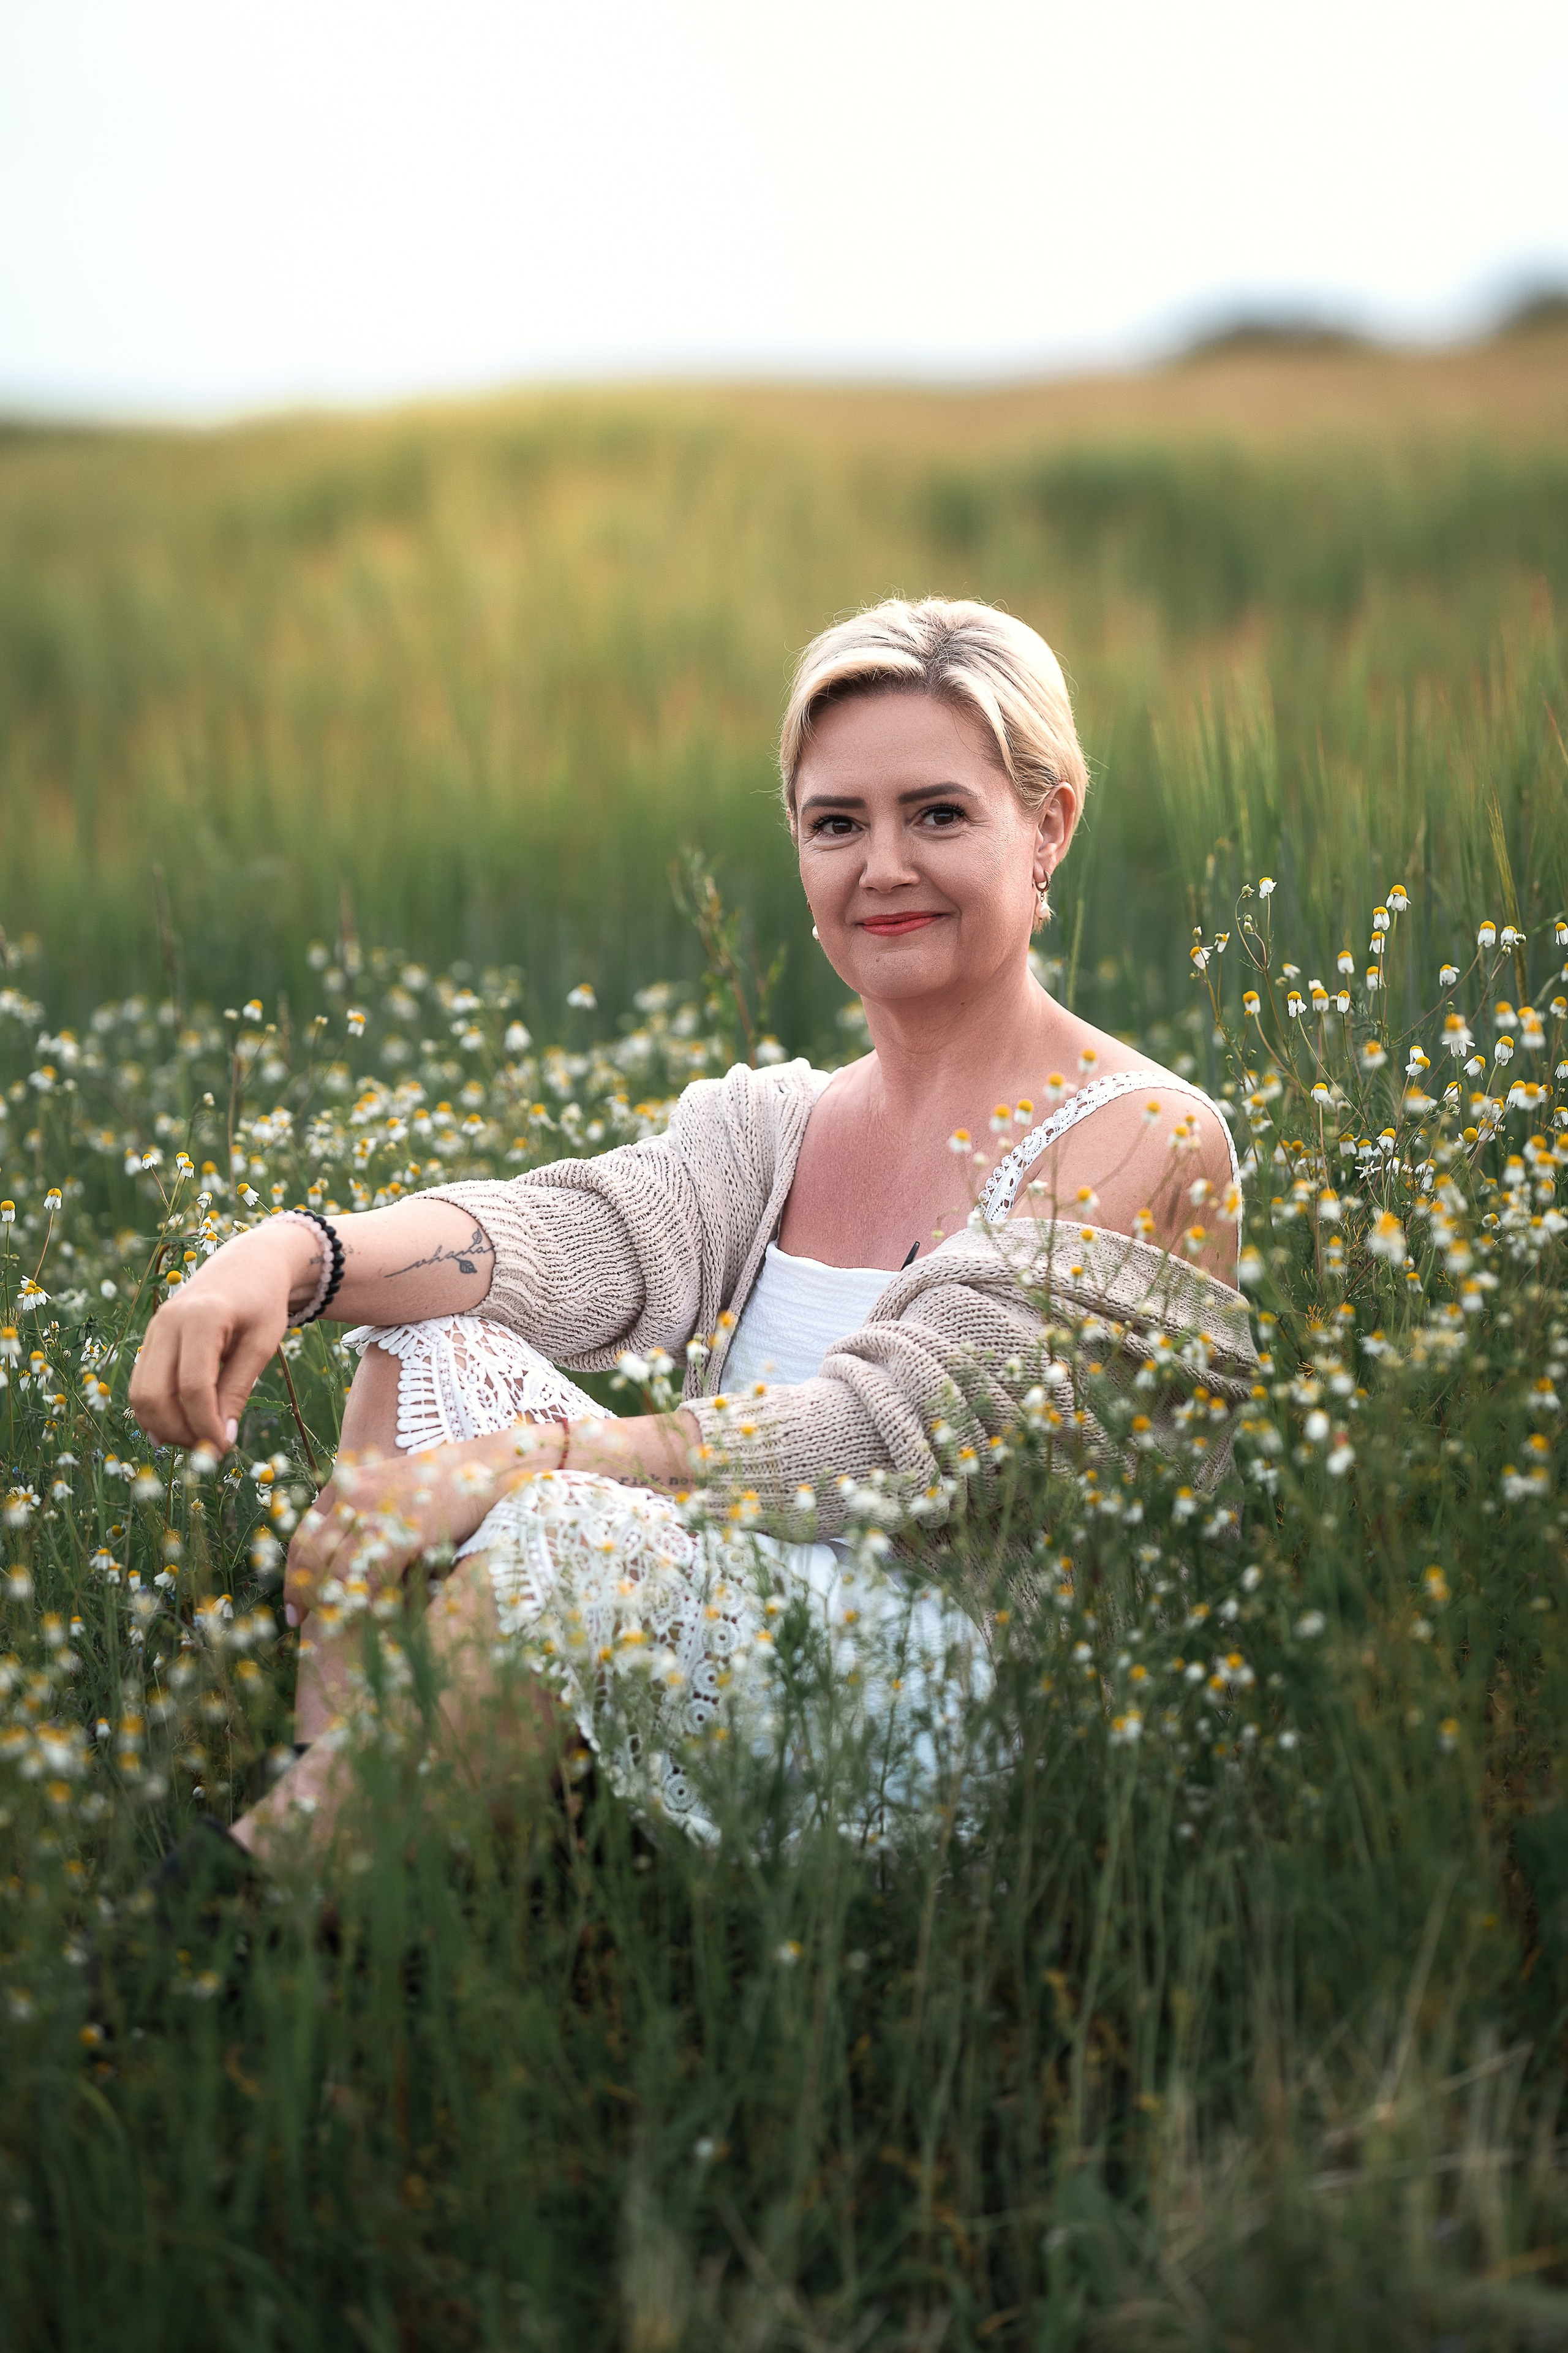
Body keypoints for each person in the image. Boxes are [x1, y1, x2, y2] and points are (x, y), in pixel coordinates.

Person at [129, 596, 1257, 1856]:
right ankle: (343, 1834)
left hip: (962, 1712)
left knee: (570, 1529)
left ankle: (245, 1910)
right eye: (837, 824)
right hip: (746, 1620)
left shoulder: (1142, 1130)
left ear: (1046, 825)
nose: (881, 866)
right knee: (428, 1339)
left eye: (936, 813)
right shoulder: (779, 1122)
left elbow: (898, 1435)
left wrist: (528, 1462)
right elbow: (581, 1233)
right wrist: (294, 1255)